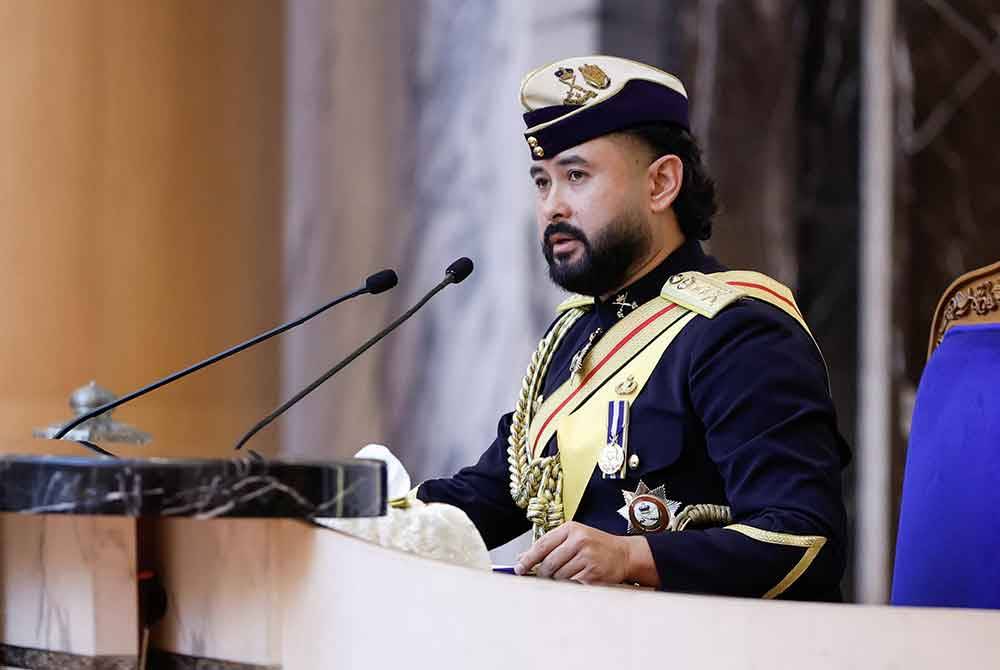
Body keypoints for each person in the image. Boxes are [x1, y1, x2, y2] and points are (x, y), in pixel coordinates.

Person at [414, 55, 850, 600]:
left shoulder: (739, 333)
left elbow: (805, 539)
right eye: (542, 182)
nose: (552, 206)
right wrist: (356, 510)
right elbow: (490, 497)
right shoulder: (572, 335)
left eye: (576, 176)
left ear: (662, 183)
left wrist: (631, 556)